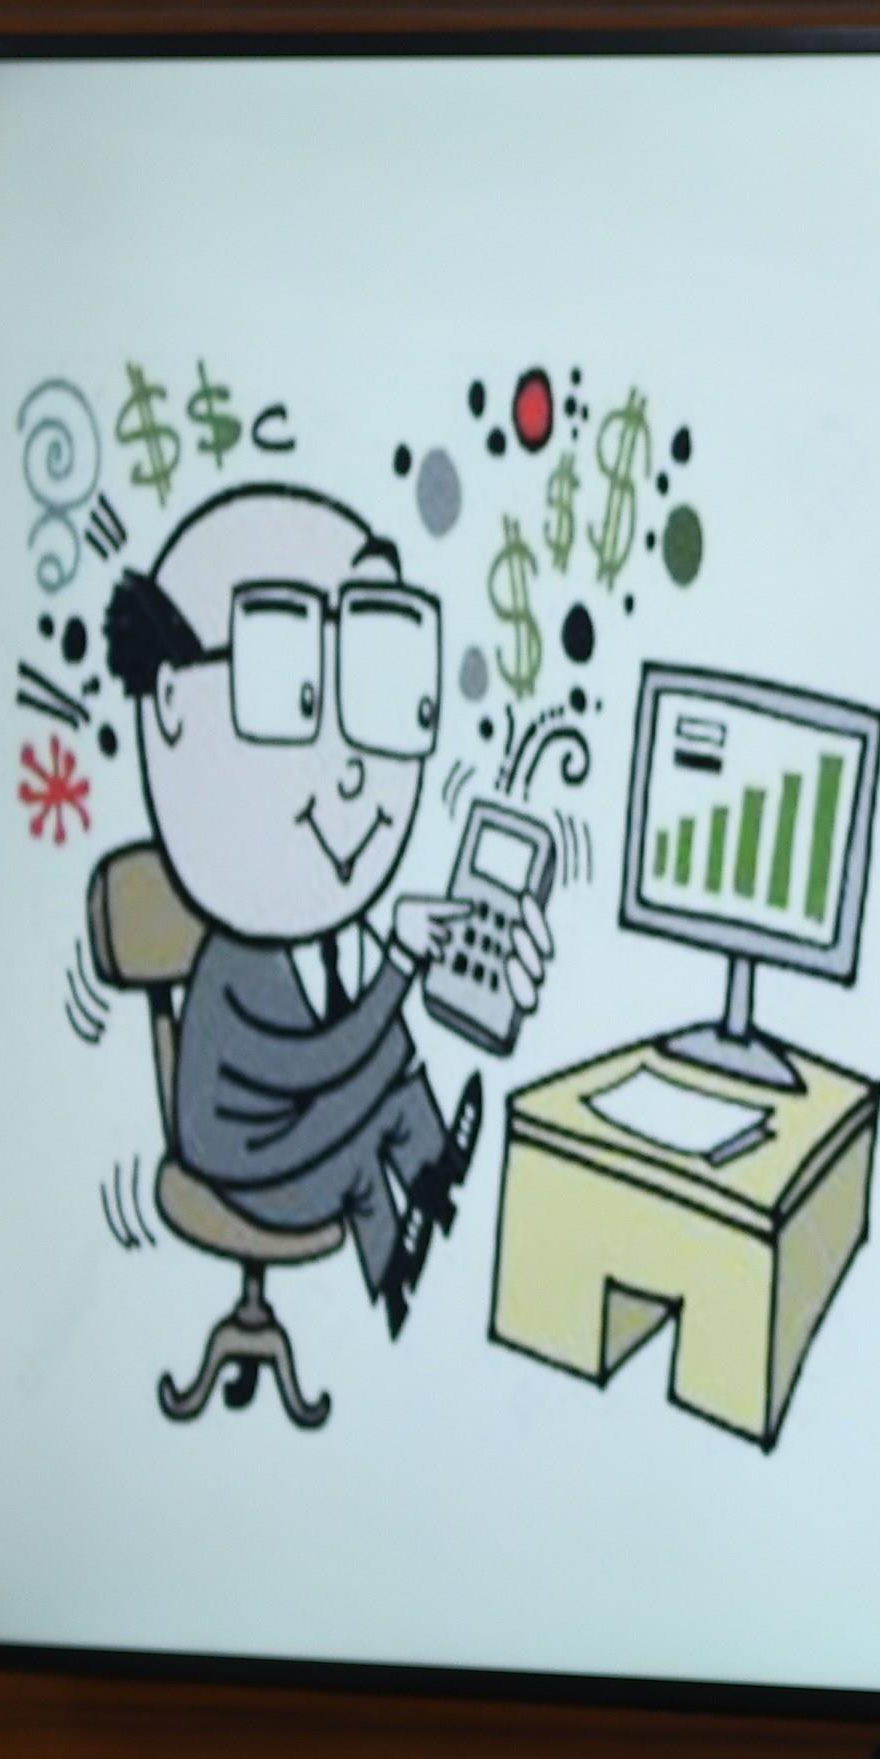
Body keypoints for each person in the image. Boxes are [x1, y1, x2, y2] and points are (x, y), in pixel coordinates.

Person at [102, 484, 537, 1330]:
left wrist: (425, 965)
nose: (350, 771)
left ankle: (413, 1220)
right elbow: (314, 1062)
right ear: (174, 704)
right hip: (235, 1155)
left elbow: (340, 1048)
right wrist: (399, 971)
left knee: (378, 1087)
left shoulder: (322, 940)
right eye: (293, 688)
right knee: (364, 1101)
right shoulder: (236, 966)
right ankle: (417, 1190)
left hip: (283, 1130)